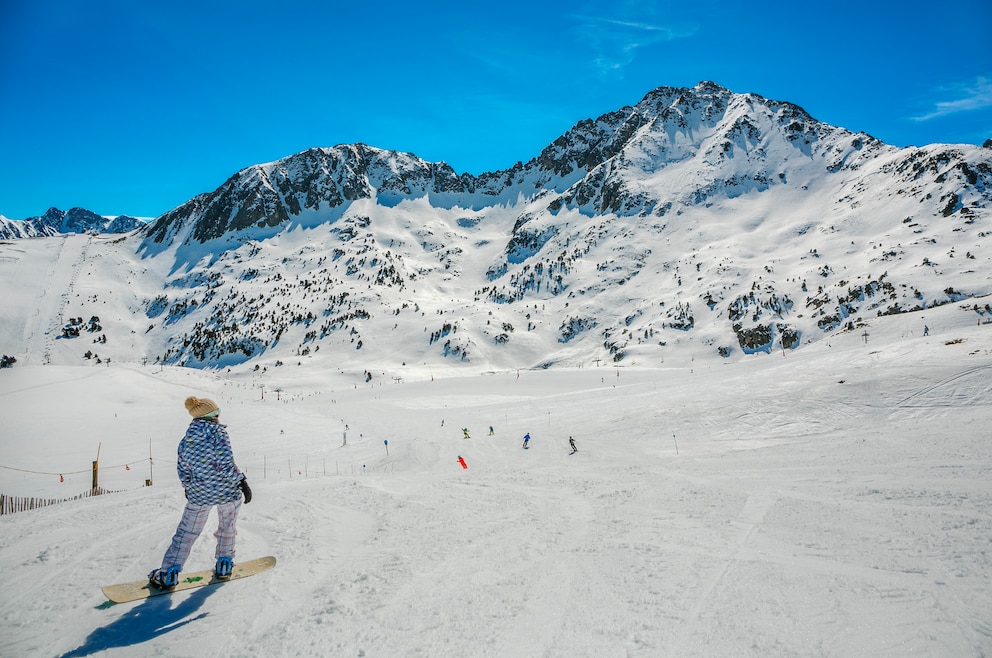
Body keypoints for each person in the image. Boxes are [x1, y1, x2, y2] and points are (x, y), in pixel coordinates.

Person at [148, 396, 252, 589]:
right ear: (212, 415)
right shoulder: (218, 434)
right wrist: (242, 481)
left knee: (187, 531)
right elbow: (225, 463)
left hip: (200, 493)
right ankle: (224, 564)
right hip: (226, 491)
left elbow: (183, 468)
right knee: (227, 526)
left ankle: (170, 572)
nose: (219, 416)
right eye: (217, 412)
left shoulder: (186, 439)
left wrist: (188, 487)